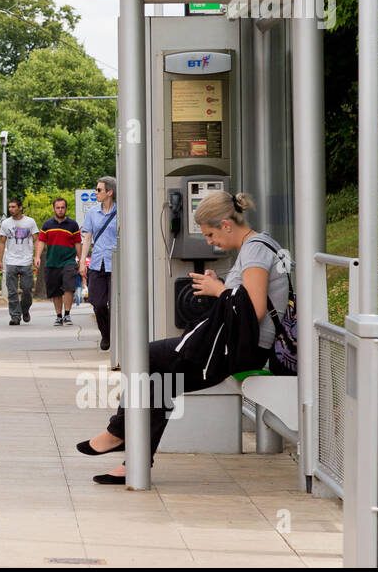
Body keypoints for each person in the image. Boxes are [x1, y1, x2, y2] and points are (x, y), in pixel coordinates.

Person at [77, 191, 288, 484]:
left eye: (211, 234)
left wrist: (219, 290)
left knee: (145, 357)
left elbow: (254, 308)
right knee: (158, 377)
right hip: (235, 345)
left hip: (238, 349)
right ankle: (132, 457)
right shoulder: (258, 246)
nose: (210, 242)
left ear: (227, 224)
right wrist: (223, 285)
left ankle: (121, 435)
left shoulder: (254, 250)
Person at [78, 177, 117, 350]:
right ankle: (106, 334)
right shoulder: (93, 212)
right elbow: (87, 238)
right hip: (97, 264)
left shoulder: (121, 212)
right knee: (98, 303)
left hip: (116, 263)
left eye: (99, 190)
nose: (96, 193)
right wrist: (82, 263)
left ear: (109, 192)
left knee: (116, 304)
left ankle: (116, 336)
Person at [34, 197, 81, 327]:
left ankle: (67, 314)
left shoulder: (73, 225)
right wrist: (37, 256)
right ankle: (58, 316)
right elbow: (42, 241)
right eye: (58, 207)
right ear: (54, 209)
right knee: (55, 291)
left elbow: (78, 242)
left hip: (69, 261)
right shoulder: (47, 225)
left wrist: (81, 260)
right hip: (52, 262)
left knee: (69, 287)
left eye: (62, 207)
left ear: (66, 208)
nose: (60, 210)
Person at [0, 198, 39, 325]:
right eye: (10, 207)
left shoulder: (30, 222)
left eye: (14, 207)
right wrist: (0, 260)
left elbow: (37, 239)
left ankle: (24, 309)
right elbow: (2, 242)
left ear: (20, 208)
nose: (11, 209)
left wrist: (37, 256)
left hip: (26, 261)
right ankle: (15, 316)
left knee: (27, 290)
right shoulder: (5, 223)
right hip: (11, 261)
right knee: (12, 291)